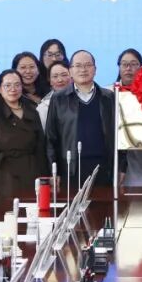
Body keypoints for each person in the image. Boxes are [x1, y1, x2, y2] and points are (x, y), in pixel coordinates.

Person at [44, 50, 121, 186]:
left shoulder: (108, 97)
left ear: (95, 69)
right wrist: (53, 170)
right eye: (78, 66)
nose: (83, 70)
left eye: (88, 65)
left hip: (104, 167)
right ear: (70, 71)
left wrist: (121, 167)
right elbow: (51, 138)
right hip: (71, 168)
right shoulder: (59, 99)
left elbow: (119, 135)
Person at [0, 70, 50, 213]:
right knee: (8, 214)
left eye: (17, 85)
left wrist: (45, 177)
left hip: (31, 170)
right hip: (5, 173)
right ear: (0, 89)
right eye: (8, 85)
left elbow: (40, 146)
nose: (13, 89)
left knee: (32, 212)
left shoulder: (31, 109)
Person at [116, 48, 142, 187]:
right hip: (116, 160)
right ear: (119, 67)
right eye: (124, 64)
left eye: (133, 64)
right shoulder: (109, 94)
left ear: (141, 68)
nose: (128, 68)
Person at [36, 61, 72, 130]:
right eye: (55, 76)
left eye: (64, 75)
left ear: (71, 76)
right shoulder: (43, 108)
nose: (60, 80)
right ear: (50, 80)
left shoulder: (83, 98)